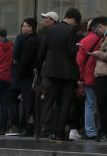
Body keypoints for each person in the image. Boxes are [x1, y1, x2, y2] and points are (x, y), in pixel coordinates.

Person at [37, 8, 83, 142]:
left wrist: (39, 69)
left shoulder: (50, 29)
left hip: (50, 72)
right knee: (65, 103)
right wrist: (77, 47)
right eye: (76, 23)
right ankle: (59, 134)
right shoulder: (70, 31)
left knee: (55, 103)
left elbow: (42, 51)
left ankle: (53, 133)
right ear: (74, 19)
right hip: (67, 72)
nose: (75, 25)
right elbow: (71, 52)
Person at [8, 17, 40, 136]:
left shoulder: (27, 40)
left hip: (25, 75)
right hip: (29, 75)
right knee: (28, 101)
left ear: (31, 28)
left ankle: (27, 127)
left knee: (27, 102)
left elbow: (20, 57)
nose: (22, 28)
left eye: (24, 25)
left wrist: (18, 74)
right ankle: (25, 126)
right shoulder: (36, 39)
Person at [77, 19, 103, 140]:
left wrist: (80, 77)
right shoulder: (105, 39)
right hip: (103, 76)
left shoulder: (85, 41)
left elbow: (80, 61)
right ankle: (104, 130)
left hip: (89, 77)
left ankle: (91, 132)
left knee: (89, 104)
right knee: (104, 104)